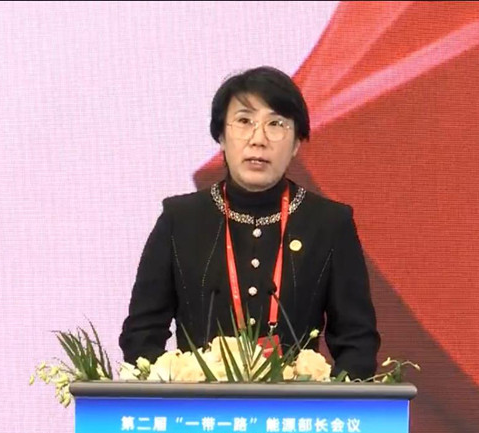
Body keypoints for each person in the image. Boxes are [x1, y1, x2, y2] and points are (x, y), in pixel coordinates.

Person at [119, 66, 380, 379]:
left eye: (276, 124)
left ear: (296, 143)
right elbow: (142, 335)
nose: (259, 139)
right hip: (197, 407)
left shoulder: (329, 223)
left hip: (297, 408)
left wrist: (331, 397)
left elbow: (357, 342)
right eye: (244, 121)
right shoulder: (180, 220)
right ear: (221, 135)